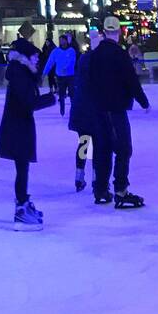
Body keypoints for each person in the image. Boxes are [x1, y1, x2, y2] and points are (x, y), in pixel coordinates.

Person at [88, 16, 149, 208]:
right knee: (123, 148)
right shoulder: (120, 54)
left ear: (104, 32)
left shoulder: (95, 55)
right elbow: (131, 80)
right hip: (116, 109)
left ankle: (100, 189)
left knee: (102, 148)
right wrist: (143, 101)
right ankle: (121, 189)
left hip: (98, 109)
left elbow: (87, 82)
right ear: (119, 32)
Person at [0, 36, 55, 229]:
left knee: (23, 168)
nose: (38, 60)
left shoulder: (21, 72)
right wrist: (50, 99)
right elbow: (28, 102)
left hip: (19, 125)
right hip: (17, 127)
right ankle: (21, 209)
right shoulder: (19, 74)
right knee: (22, 169)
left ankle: (23, 203)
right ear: (26, 57)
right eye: (35, 56)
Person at [69, 27, 101, 192]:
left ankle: (79, 175)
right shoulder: (98, 61)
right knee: (97, 144)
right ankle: (97, 177)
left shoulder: (82, 59)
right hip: (93, 110)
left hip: (80, 109)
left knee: (84, 143)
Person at [41, 32, 76, 117]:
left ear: (66, 41)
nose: (61, 42)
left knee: (72, 94)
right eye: (60, 40)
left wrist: (66, 68)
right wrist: (44, 73)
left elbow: (72, 61)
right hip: (60, 76)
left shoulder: (71, 50)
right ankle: (62, 109)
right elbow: (50, 62)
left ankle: (74, 110)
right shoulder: (55, 51)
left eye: (63, 40)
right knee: (61, 94)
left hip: (70, 76)